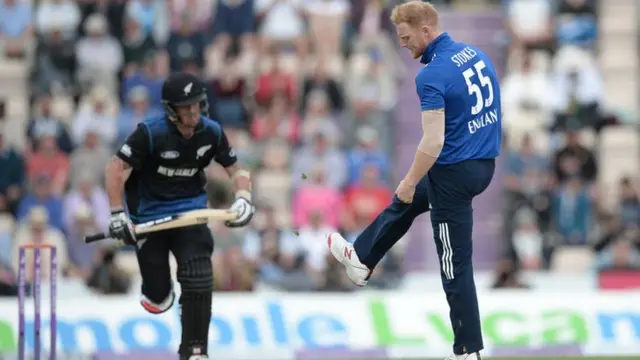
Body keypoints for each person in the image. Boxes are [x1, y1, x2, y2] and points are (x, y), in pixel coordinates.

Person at [326, 2, 501, 360]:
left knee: (454, 263)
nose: (403, 44)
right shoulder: (476, 54)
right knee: (407, 203)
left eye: (406, 37)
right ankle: (362, 257)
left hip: (454, 171)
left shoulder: (431, 75)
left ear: (425, 29)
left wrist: (408, 179)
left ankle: (469, 350)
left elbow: (433, 142)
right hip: (483, 162)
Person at [104, 72, 255, 360]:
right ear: (171, 109)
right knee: (158, 295)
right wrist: (116, 214)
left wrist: (244, 198)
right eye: (187, 107)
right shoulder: (150, 132)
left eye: (198, 104)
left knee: (199, 276)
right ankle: (157, 292)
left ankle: (195, 351)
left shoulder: (211, 132)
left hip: (191, 212)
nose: (194, 112)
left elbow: (237, 169)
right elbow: (115, 169)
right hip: (149, 216)